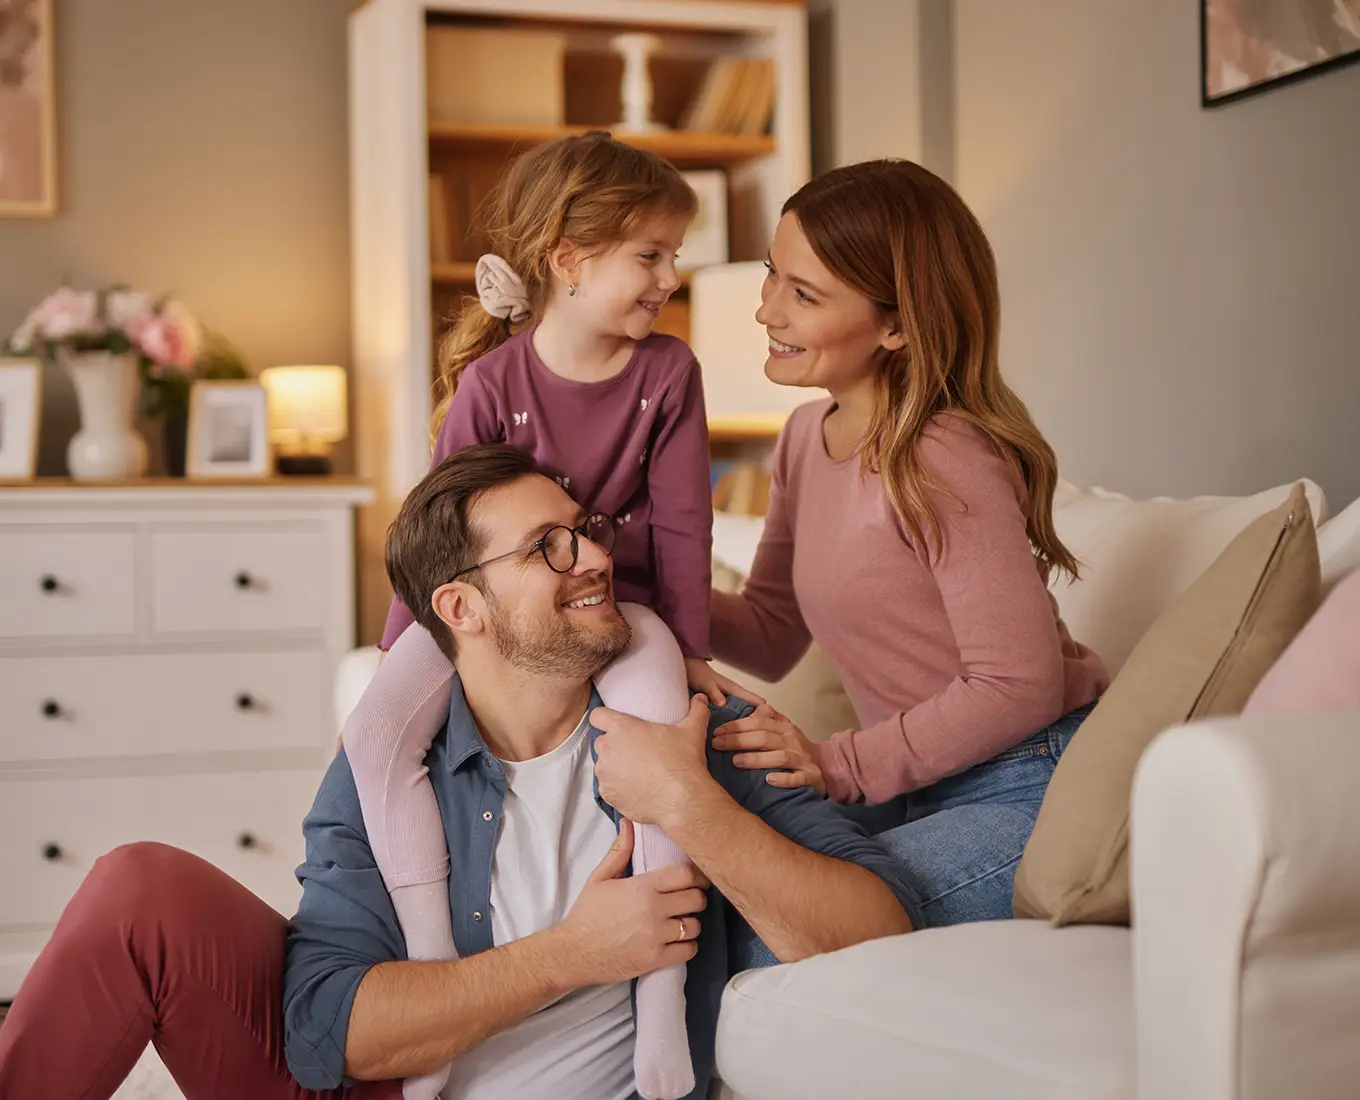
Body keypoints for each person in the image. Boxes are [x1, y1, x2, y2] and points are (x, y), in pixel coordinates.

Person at [0, 444, 918, 1100]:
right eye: (548, 546)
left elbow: (881, 935)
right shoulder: (391, 763)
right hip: (389, 1090)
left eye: (586, 532)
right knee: (140, 888)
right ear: (461, 608)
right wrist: (575, 955)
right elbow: (326, 1032)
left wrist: (689, 802)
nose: (596, 558)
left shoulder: (696, 728)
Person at [341, 131, 744, 1100]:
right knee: (374, 725)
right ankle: (433, 962)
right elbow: (435, 533)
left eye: (672, 256)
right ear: (568, 261)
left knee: (661, 740)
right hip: (495, 605)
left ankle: (658, 1012)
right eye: (649, 254)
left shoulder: (669, 374)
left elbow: (686, 525)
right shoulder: (492, 383)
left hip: (623, 611)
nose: (667, 276)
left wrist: (685, 652)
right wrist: (414, 660)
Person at [707, 159, 1112, 930]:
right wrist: (638, 581)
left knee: (771, 932)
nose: (767, 312)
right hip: (919, 789)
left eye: (803, 294)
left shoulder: (940, 453)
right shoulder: (802, 439)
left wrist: (837, 765)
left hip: (1031, 786)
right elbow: (769, 632)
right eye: (772, 276)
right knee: (714, 896)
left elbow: (1018, 684)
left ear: (896, 324)